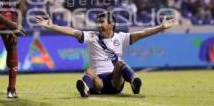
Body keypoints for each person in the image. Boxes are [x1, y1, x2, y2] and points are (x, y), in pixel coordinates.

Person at [35, 12, 178, 97]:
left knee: (121, 63)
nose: (98, 25)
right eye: (97, 22)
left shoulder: (121, 37)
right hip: (99, 82)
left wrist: (161, 27)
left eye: (102, 22)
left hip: (115, 81)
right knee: (90, 71)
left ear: (112, 25)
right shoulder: (91, 36)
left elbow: (143, 33)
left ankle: (134, 83)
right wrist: (51, 26)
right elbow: (72, 31)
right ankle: (85, 88)